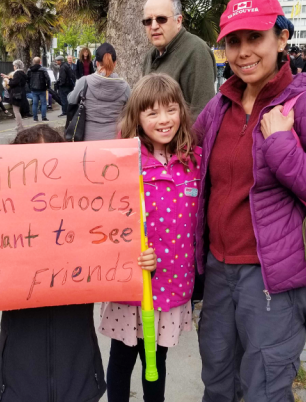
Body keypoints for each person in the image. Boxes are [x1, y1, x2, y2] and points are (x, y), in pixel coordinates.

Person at [193, 0, 306, 402]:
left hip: (274, 282)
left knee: (264, 390)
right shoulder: (219, 107)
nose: (243, 52)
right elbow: (186, 160)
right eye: (234, 41)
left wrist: (283, 147)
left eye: (255, 37)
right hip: (219, 271)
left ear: (282, 39)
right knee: (217, 383)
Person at [0, 125, 157, 401]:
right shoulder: (3, 226)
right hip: (18, 382)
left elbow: (121, 260)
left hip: (78, 378)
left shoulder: (86, 220)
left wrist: (144, 263)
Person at [100, 73, 201, 402]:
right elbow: (105, 221)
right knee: (121, 359)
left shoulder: (194, 161)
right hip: (133, 287)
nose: (164, 120)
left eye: (171, 109)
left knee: (157, 362)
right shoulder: (123, 163)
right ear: (137, 117)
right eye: (152, 112)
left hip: (173, 285)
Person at [142, 0, 216, 119]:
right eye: (148, 21)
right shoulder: (150, 56)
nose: (153, 26)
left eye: (161, 19)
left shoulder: (196, 51)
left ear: (178, 21)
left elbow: (202, 115)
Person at [68, 43, 130, 141]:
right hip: (115, 140)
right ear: (115, 63)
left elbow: (71, 100)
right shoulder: (125, 87)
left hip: (88, 140)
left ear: (96, 63)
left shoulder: (84, 82)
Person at [0, 60, 27, 130]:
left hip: (16, 94)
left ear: (17, 66)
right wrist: (8, 77)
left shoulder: (17, 73)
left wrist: (7, 80)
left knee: (16, 111)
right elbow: (17, 81)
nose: (13, 67)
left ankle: (19, 125)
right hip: (21, 93)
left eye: (14, 66)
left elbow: (13, 83)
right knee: (18, 110)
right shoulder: (22, 73)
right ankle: (20, 125)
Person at [27, 57, 51, 122]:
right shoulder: (43, 69)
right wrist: (48, 86)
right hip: (42, 88)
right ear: (40, 62)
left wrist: (30, 87)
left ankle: (35, 118)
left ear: (33, 62)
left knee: (35, 104)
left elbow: (27, 79)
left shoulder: (29, 70)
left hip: (33, 89)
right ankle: (43, 117)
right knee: (43, 103)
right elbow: (48, 78)